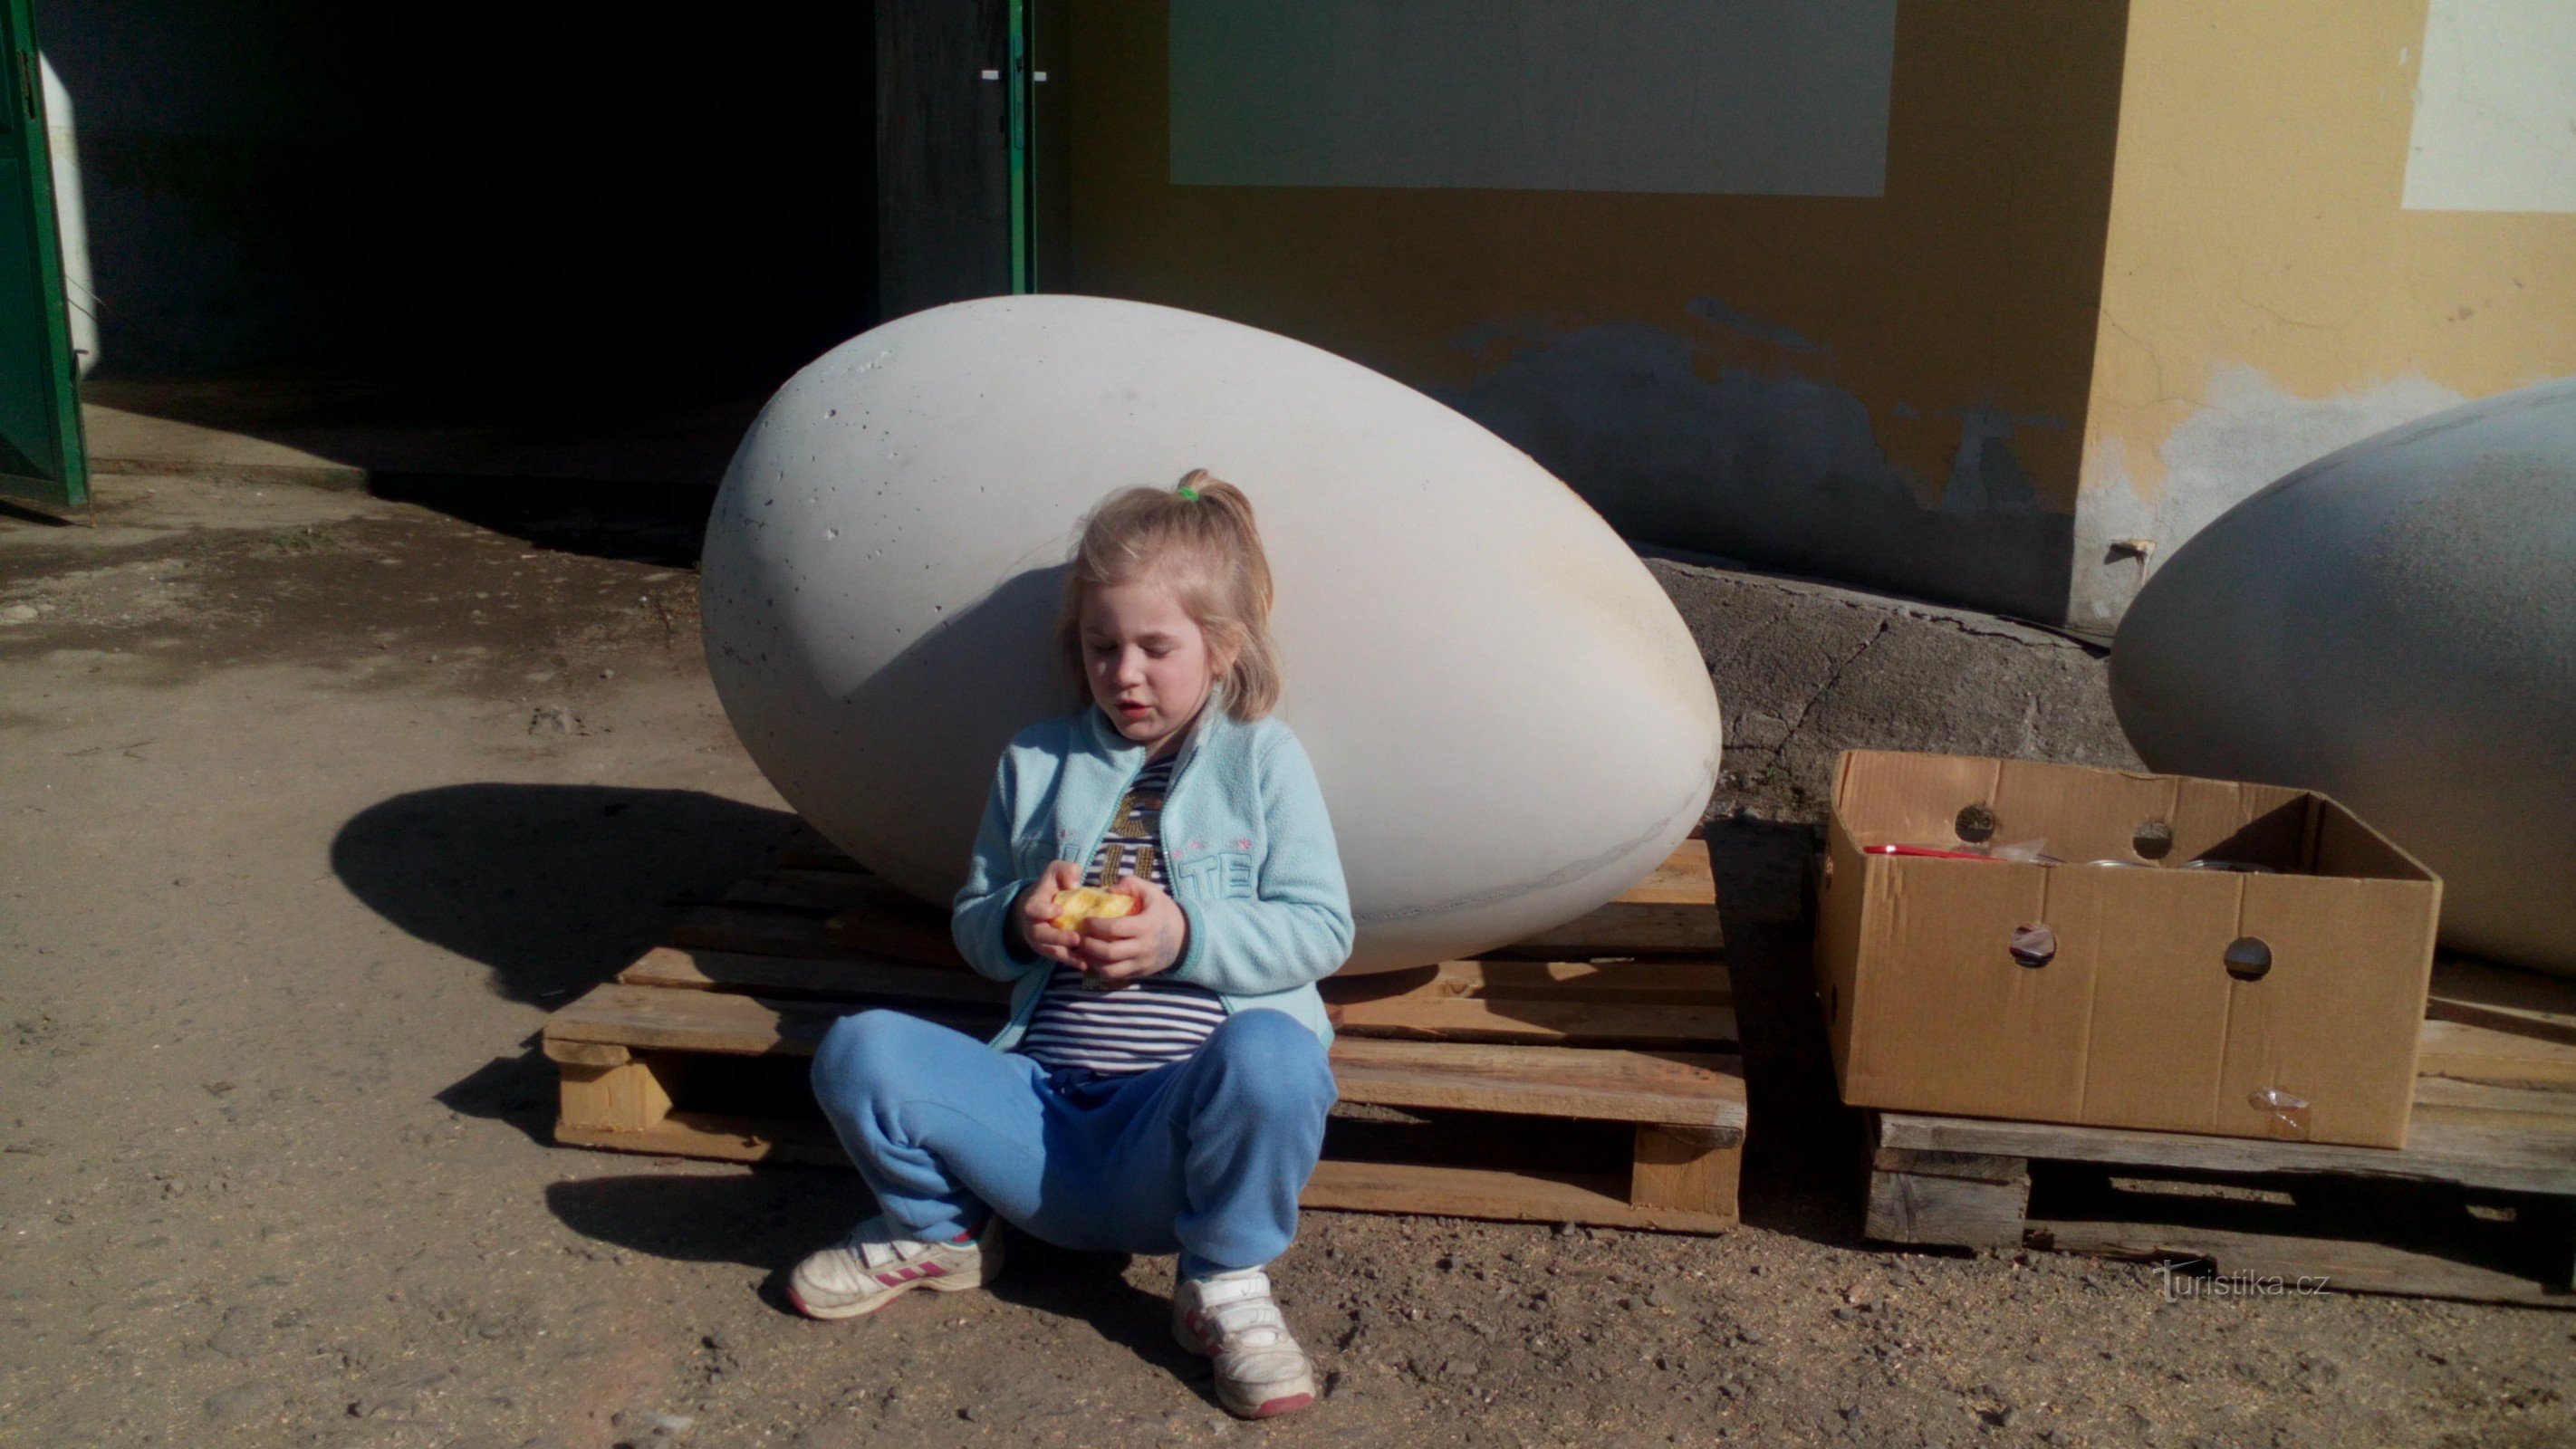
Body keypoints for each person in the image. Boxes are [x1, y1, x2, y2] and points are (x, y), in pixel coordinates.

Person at [792, 470, 1352, 1420]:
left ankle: (1223, 1281)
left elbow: (1322, 927)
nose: (1125, 673)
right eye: (1102, 647)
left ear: (1222, 649)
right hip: (1038, 1118)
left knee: (1277, 1059)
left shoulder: (1264, 758)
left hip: (1172, 1138)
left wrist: (1182, 934)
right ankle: (944, 1231)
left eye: (1155, 647)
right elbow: (974, 921)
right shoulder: (1036, 760)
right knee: (860, 1047)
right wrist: (1017, 919)